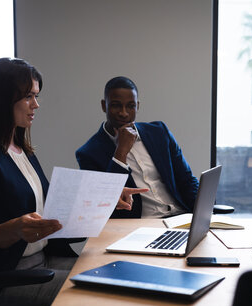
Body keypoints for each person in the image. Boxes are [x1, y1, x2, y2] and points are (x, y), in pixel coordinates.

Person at [0, 58, 145, 306]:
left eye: (36, 96)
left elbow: (56, 207)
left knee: (127, 278)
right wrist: (16, 228)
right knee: (112, 294)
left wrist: (109, 196)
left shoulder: (22, 151)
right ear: (1, 99)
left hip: (46, 261)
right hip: (9, 283)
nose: (36, 105)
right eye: (29, 96)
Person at [76, 76, 199, 219]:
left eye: (130, 106)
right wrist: (121, 151)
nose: (124, 113)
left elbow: (187, 180)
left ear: (137, 106)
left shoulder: (159, 132)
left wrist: (205, 215)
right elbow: (105, 202)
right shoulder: (88, 153)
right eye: (116, 105)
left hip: (180, 218)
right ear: (104, 105)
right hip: (140, 226)